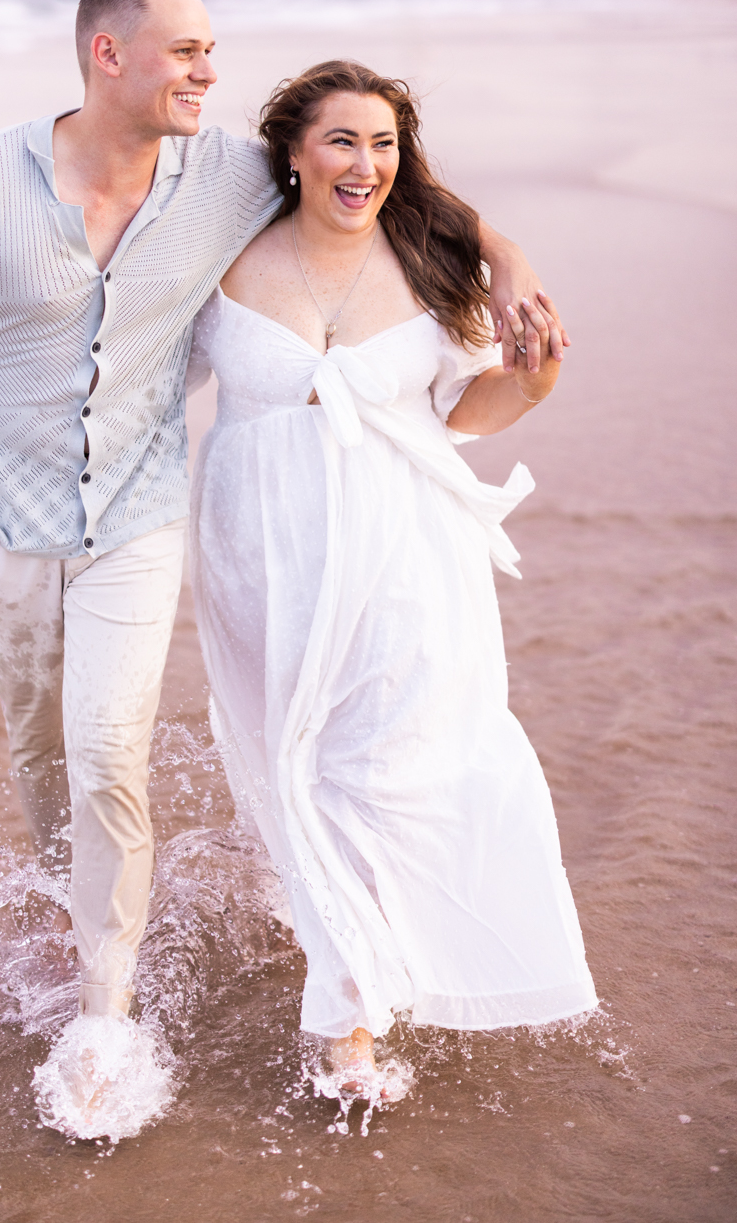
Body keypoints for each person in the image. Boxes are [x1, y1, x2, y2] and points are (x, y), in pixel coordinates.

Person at [0, 0, 561, 1060]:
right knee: (132, 764)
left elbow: (394, 196)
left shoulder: (283, 203)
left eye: (211, 50)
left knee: (191, 751)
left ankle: (184, 1015)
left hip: (263, 525)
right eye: (187, 51)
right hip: (123, 532)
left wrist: (506, 261)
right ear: (106, 53)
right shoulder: (46, 190)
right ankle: (130, 923)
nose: (208, 71)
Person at [184, 60, 597, 1096]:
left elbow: (466, 415)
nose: (363, 163)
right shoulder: (219, 253)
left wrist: (535, 375)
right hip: (259, 552)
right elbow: (126, 356)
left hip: (406, 548)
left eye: (383, 143)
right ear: (290, 151)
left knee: (396, 758)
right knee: (301, 766)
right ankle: (351, 959)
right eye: (340, 140)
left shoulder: (426, 261)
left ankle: (350, 1011)